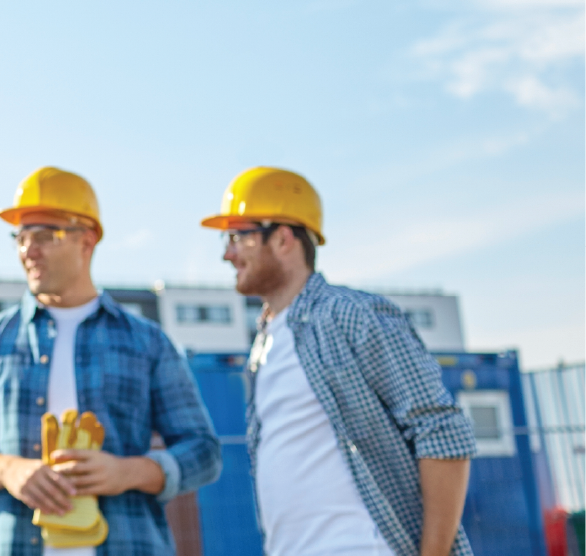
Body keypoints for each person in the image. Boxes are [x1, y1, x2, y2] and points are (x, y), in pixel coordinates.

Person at [0, 168, 221, 556]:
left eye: (44, 236)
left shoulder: (147, 342)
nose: (27, 250)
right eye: (20, 237)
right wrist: (8, 470)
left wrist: (125, 473)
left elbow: (203, 452)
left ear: (88, 239)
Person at [203, 166, 477, 556]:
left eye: (238, 236)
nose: (227, 253)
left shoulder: (348, 314)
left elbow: (440, 430)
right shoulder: (264, 344)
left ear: (283, 238)